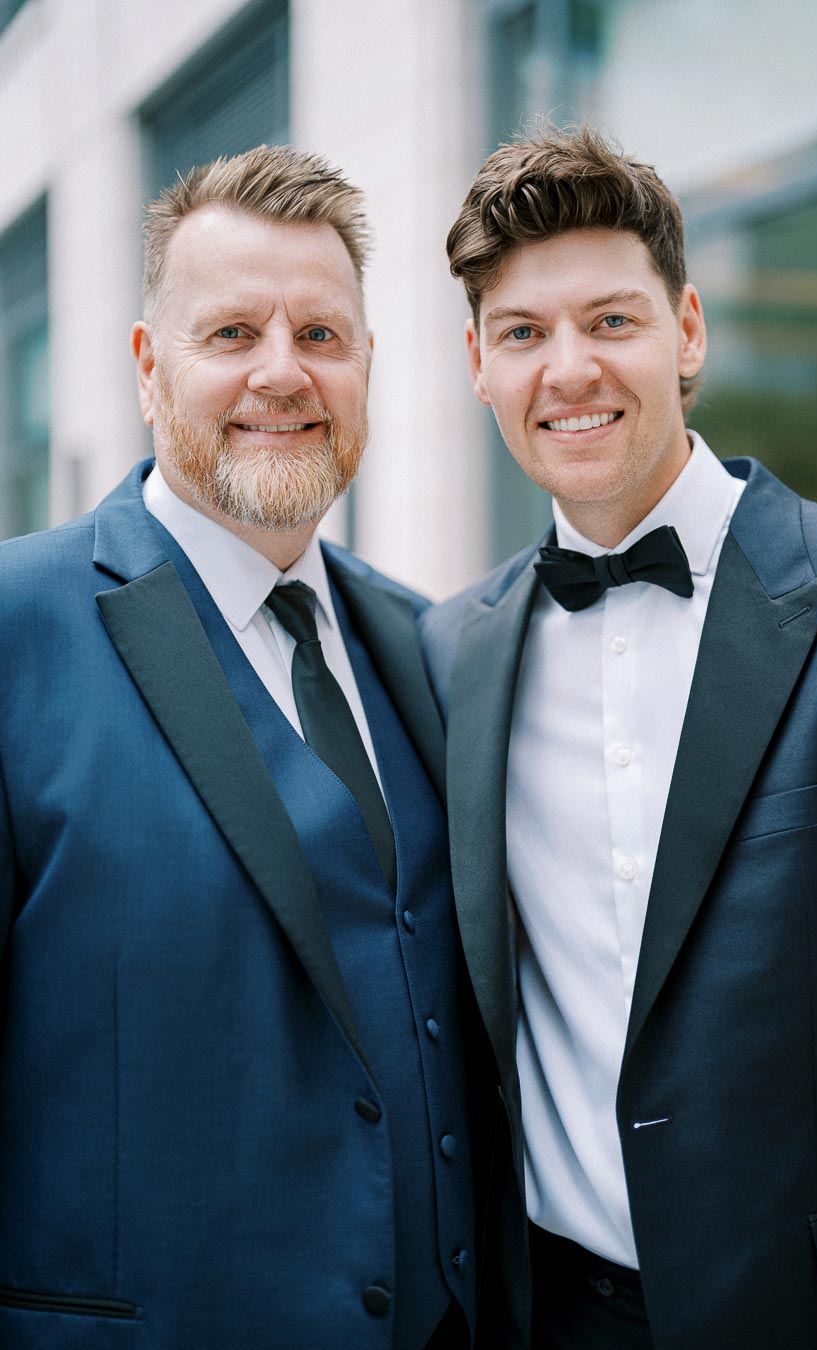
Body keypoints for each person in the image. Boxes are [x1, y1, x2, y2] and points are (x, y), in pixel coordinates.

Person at [419, 124, 817, 1349]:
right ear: (478, 364)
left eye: (611, 320)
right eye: (523, 333)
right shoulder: (449, 653)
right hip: (554, 1316)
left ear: (687, 330)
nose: (567, 368)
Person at [0, 145, 478, 1350]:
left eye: (323, 334)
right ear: (149, 366)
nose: (284, 372)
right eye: (232, 335)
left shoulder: (425, 642)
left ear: (368, 365)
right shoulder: (14, 630)